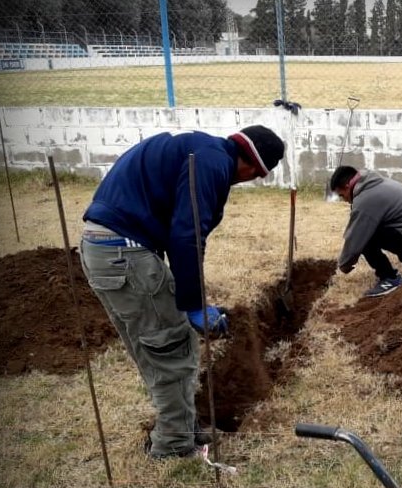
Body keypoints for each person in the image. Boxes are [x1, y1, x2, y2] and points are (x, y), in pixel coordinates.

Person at [79, 125, 284, 459]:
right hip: (126, 253)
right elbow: (188, 234)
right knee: (173, 352)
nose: (250, 180)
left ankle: (181, 428)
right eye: (257, 175)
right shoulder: (213, 164)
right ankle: (174, 446)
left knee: (157, 348)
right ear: (252, 166)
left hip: (105, 249)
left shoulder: (199, 149)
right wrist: (193, 305)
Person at [330, 165, 402, 297]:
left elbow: (355, 240)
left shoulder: (365, 199)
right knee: (397, 224)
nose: (344, 200)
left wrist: (344, 265)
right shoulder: (380, 183)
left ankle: (389, 278)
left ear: (347, 186)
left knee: (366, 234)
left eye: (342, 195)